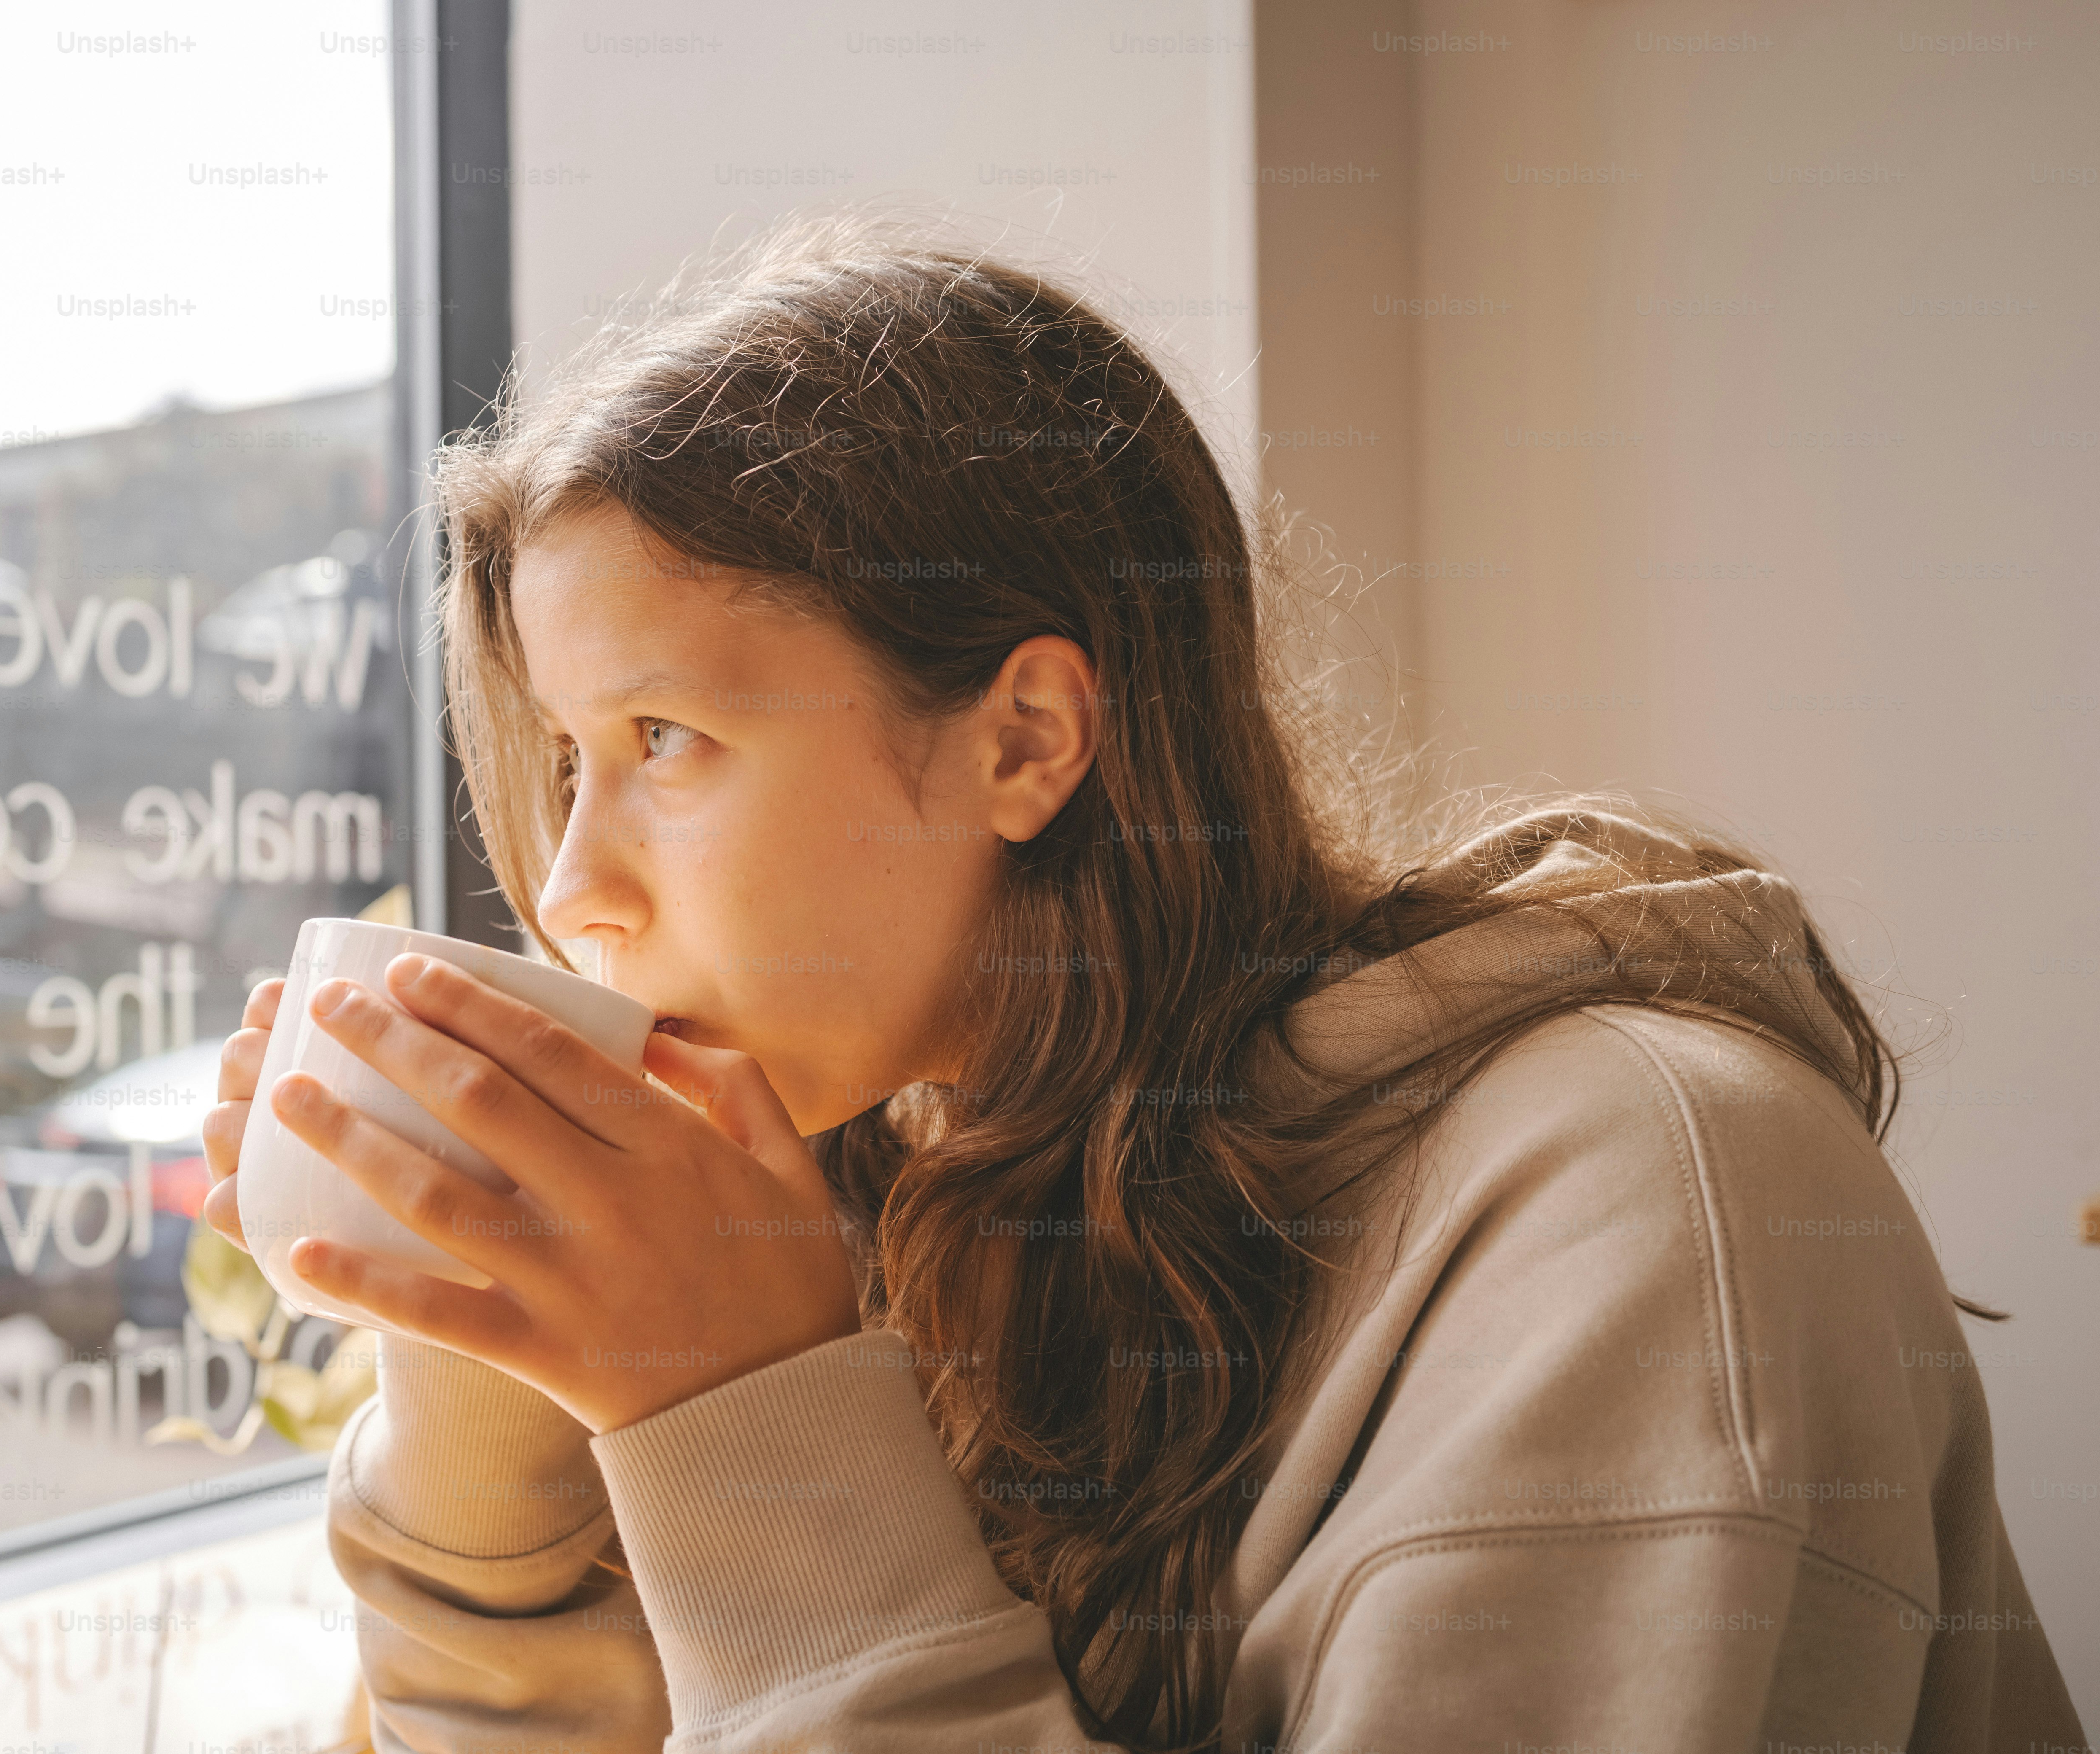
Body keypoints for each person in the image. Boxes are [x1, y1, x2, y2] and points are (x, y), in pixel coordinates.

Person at [200, 219, 2082, 1752]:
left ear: (1026, 737)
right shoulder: (893, 1189)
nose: (579, 890)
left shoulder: (1652, 1207)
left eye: (669, 737)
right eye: (563, 763)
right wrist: (484, 1394)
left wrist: (749, 1414)